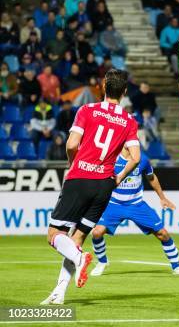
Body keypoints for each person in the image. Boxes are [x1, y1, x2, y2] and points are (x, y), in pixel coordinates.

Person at [41, 69, 140, 305]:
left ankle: (79, 258)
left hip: (81, 178)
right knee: (76, 239)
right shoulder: (129, 120)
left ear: (103, 87)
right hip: (105, 185)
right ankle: (59, 292)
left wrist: (71, 163)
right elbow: (135, 157)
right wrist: (119, 177)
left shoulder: (87, 110)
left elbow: (72, 143)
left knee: (55, 235)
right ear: (124, 92)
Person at [90, 147, 179, 276]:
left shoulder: (142, 159)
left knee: (163, 233)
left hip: (136, 205)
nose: (133, 143)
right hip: (114, 204)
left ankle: (177, 266)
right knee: (97, 233)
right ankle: (102, 262)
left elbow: (151, 177)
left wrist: (163, 198)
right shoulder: (111, 157)